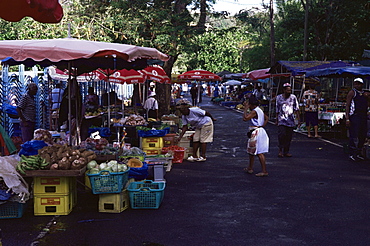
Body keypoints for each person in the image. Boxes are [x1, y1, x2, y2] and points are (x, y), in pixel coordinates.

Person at [243, 95, 269, 177]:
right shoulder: (259, 110)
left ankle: (264, 171)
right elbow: (266, 118)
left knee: (259, 152)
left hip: (257, 132)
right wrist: (261, 125)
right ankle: (250, 167)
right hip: (258, 130)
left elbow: (245, 118)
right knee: (251, 151)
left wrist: (245, 109)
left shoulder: (254, 111)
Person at [345, 78, 369, 161]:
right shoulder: (352, 93)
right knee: (354, 135)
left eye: (359, 84)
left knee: (362, 135)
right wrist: (347, 118)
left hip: (363, 116)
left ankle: (358, 152)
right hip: (355, 116)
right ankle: (352, 153)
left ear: (362, 84)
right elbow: (347, 105)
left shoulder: (365, 94)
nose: (357, 85)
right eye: (356, 83)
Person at [276, 83, 300, 158]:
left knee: (288, 136)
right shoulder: (279, 97)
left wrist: (298, 120)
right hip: (282, 119)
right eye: (287, 90)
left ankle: (286, 151)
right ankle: (280, 150)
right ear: (284, 90)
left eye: (290, 90)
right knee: (282, 135)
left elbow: (297, 109)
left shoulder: (293, 97)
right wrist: (276, 119)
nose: (289, 91)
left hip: (291, 120)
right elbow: (277, 109)